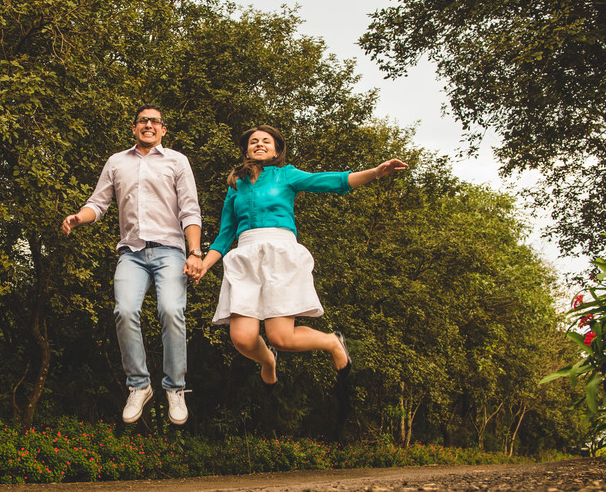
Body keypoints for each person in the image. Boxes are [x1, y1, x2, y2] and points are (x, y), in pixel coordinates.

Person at [193, 125, 408, 388]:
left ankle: (331, 341)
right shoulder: (236, 184)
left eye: (265, 141)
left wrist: (375, 172)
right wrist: (204, 265)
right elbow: (225, 235)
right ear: (246, 150)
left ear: (276, 150)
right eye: (253, 142)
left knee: (281, 338)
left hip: (279, 255)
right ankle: (268, 360)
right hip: (245, 256)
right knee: (242, 339)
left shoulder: (287, 175)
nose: (259, 144)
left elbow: (332, 181)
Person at [62, 105, 204, 425]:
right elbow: (98, 203)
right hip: (132, 253)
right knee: (124, 311)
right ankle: (139, 386)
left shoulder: (177, 161)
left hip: (170, 251)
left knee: (171, 310)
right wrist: (78, 217)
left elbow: (190, 212)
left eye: (155, 121)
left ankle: (175, 388)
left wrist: (194, 253)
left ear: (163, 130)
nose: (149, 124)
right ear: (134, 128)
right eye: (143, 120)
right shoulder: (117, 162)